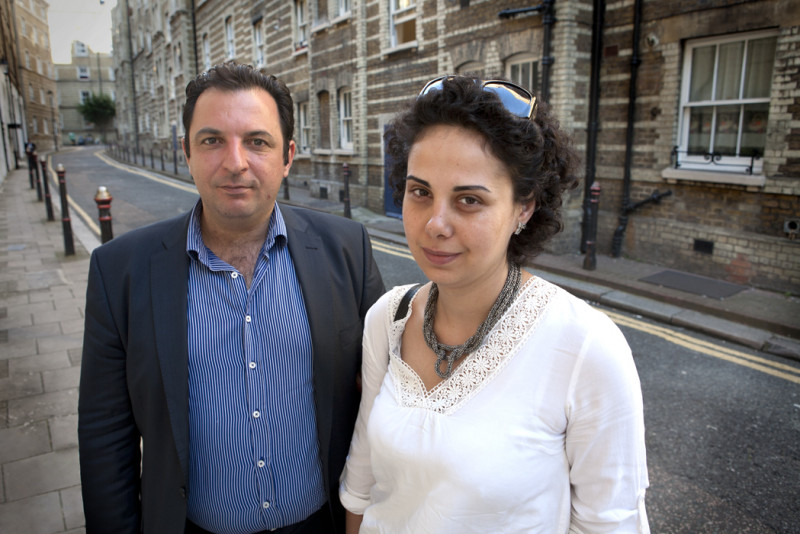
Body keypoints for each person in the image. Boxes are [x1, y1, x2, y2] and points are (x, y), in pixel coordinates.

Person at [78, 63, 385, 534]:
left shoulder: (347, 249)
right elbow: (105, 436)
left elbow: (388, 398)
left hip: (323, 522)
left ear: (287, 156)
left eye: (257, 142)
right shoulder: (120, 271)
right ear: (186, 152)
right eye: (211, 140)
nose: (235, 161)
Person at [339, 75, 650, 533]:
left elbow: (610, 525)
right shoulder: (388, 317)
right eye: (420, 192)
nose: (435, 225)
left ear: (523, 208)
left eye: (469, 200)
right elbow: (362, 486)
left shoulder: (586, 346)